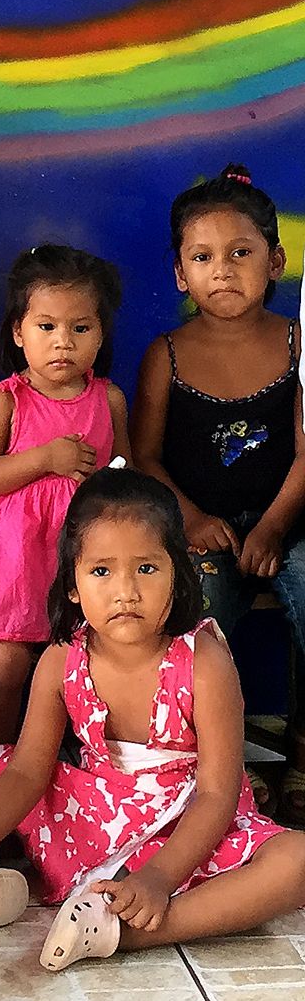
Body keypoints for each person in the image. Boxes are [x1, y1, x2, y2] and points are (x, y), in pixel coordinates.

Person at [0, 469, 305, 969]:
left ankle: (125, 932)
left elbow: (218, 792)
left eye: (147, 568)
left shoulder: (204, 661)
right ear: (72, 584)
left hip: (185, 825)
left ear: (179, 573)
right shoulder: (61, 659)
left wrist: (159, 878)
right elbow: (27, 771)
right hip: (94, 814)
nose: (126, 591)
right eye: (102, 571)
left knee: (297, 861)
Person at [131, 165, 305, 817]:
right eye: (203, 257)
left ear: (275, 261)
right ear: (181, 273)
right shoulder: (167, 355)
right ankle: (212, 762)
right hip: (201, 527)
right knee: (193, 616)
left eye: (241, 253)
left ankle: (303, 749)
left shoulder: (298, 343)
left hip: (292, 519)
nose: (222, 270)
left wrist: (275, 526)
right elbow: (144, 458)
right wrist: (193, 518)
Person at [0, 246, 129, 741]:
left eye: (81, 328)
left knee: (93, 661)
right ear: (19, 332)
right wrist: (44, 459)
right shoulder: (5, 399)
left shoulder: (108, 399)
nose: (63, 341)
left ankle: (83, 759)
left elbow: (127, 474)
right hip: (14, 565)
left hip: (86, 558)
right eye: (46, 326)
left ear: (101, 333)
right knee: (6, 665)